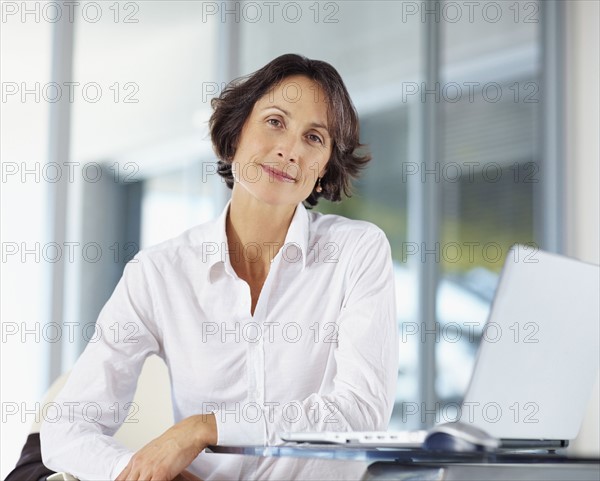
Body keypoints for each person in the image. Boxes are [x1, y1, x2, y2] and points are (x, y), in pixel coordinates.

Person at [40, 53, 398, 481]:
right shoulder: (158, 274)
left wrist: (204, 429)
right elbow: (66, 428)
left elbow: (360, 412)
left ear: (323, 171)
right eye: (275, 122)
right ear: (234, 137)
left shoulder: (357, 251)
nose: (290, 149)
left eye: (314, 138)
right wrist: (143, 474)